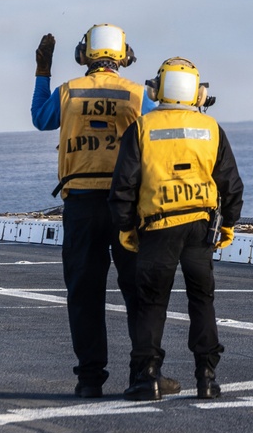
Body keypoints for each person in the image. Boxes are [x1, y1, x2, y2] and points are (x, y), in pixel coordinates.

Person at [31, 24, 164, 398]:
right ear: (124, 57)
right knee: (138, 292)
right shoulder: (138, 95)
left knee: (84, 293)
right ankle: (144, 375)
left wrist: (43, 72)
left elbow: (41, 119)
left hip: (82, 204)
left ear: (83, 56)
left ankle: (90, 379)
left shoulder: (70, 91)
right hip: (127, 205)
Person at [109, 56, 244, 401]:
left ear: (158, 89)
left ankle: (147, 377)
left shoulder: (142, 128)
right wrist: (227, 224)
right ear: (198, 94)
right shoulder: (211, 128)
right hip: (200, 227)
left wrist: (126, 228)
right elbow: (230, 185)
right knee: (202, 301)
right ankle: (207, 377)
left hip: (156, 228)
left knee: (151, 304)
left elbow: (123, 186)